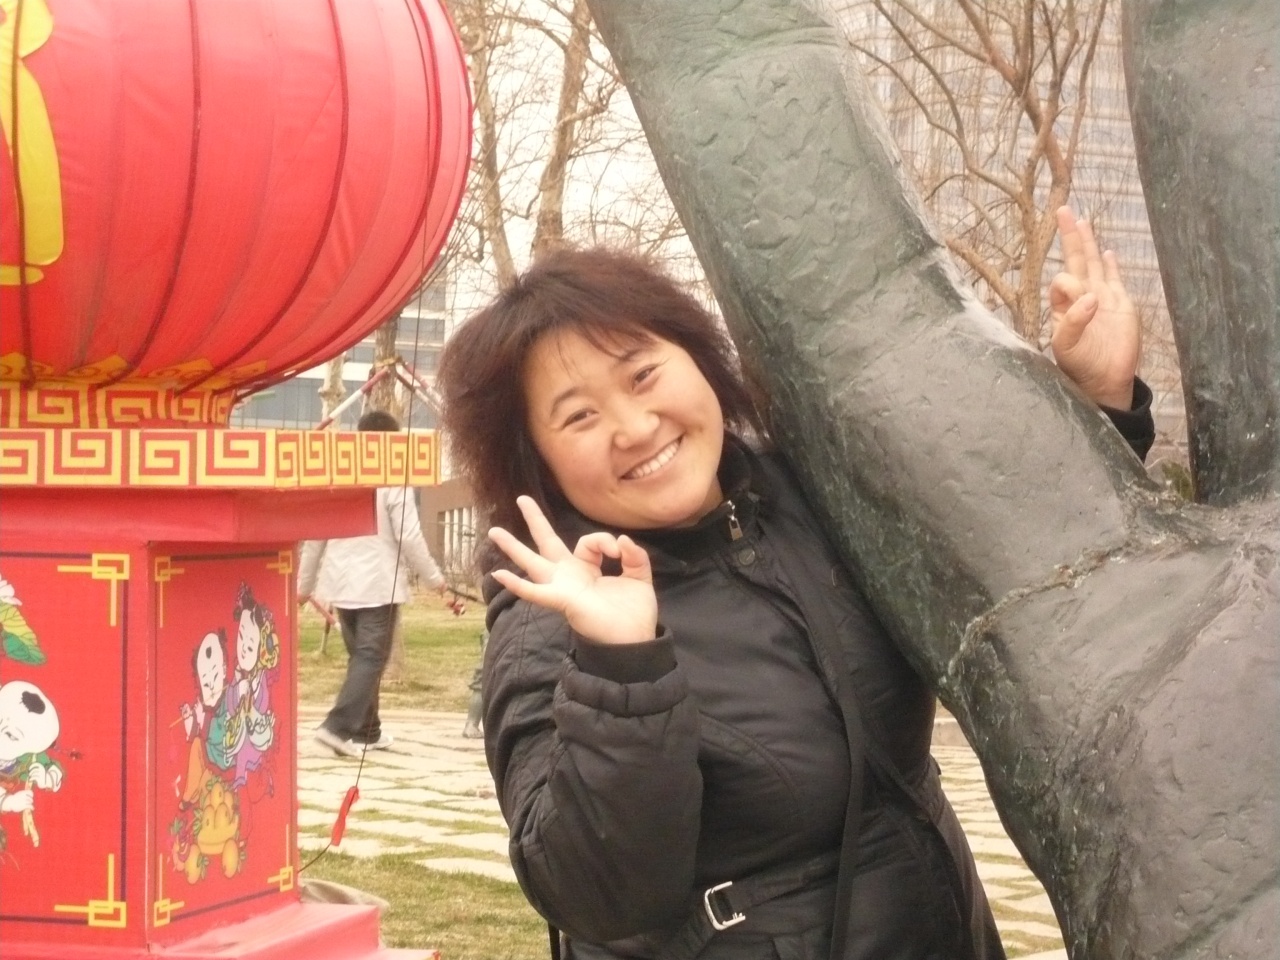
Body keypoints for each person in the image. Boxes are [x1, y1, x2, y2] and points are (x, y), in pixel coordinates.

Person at [435, 207, 1154, 960]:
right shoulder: (552, 621)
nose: (636, 427)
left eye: (642, 374)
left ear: (699, 356)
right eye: (580, 417)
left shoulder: (811, 492)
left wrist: (1100, 406)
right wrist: (623, 669)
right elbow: (597, 895)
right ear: (537, 461)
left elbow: (1017, 570)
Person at [298, 409, 450, 758]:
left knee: (362, 659)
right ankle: (336, 728)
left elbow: (315, 538)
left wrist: (303, 587)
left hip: (340, 583)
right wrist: (434, 579)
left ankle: (369, 731)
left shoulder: (336, 476)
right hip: (378, 584)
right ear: (392, 441)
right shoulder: (393, 477)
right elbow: (408, 535)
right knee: (370, 658)